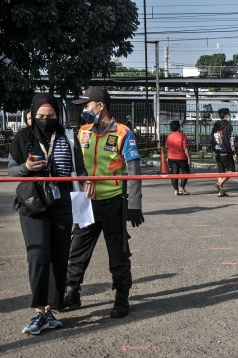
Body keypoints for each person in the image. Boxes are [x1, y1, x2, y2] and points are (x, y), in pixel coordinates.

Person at [8, 93, 92, 334]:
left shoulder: (67, 136)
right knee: (38, 255)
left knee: (59, 256)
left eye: (51, 115)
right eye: (40, 116)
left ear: (58, 114)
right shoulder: (23, 137)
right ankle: (38, 311)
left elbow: (79, 166)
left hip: (62, 200)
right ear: (33, 115)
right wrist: (27, 167)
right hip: (33, 201)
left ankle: (50, 309)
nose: (45, 120)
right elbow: (12, 170)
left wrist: (86, 181)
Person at [63, 86, 144, 319]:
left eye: (87, 106)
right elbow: (75, 164)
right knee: (76, 249)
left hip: (113, 202)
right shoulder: (83, 132)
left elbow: (134, 170)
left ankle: (121, 296)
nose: (84, 111)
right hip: (85, 202)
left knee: (118, 253)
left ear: (100, 106)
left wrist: (135, 204)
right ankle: (71, 291)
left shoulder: (123, 132)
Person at [211, 108, 237, 197]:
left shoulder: (216, 125)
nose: (229, 115)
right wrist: (234, 152)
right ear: (226, 116)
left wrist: (214, 148)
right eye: (229, 114)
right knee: (231, 170)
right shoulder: (229, 126)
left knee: (220, 171)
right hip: (226, 151)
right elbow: (231, 140)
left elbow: (212, 138)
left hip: (217, 151)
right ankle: (219, 184)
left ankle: (220, 191)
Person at [165, 120, 191, 195]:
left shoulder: (169, 136)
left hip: (171, 158)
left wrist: (167, 157)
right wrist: (188, 158)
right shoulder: (182, 135)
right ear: (179, 127)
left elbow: (168, 148)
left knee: (174, 173)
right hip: (182, 158)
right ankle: (182, 188)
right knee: (186, 172)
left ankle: (176, 190)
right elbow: (185, 148)